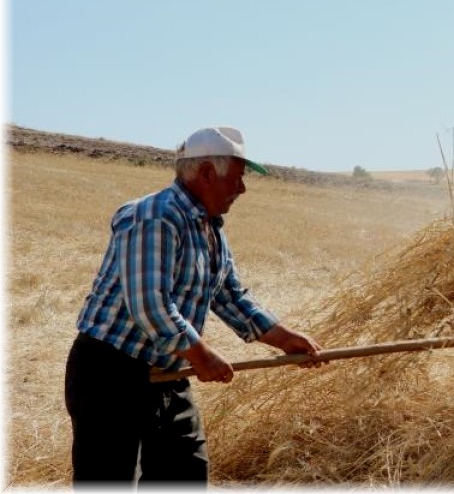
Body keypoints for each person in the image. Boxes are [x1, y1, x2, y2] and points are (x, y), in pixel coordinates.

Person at [64, 126, 325, 487]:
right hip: (111, 375)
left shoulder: (210, 228)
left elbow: (230, 295)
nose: (242, 189)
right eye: (237, 179)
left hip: (169, 376)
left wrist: (283, 339)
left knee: (184, 473)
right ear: (206, 174)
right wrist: (202, 355)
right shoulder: (154, 217)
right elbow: (150, 304)